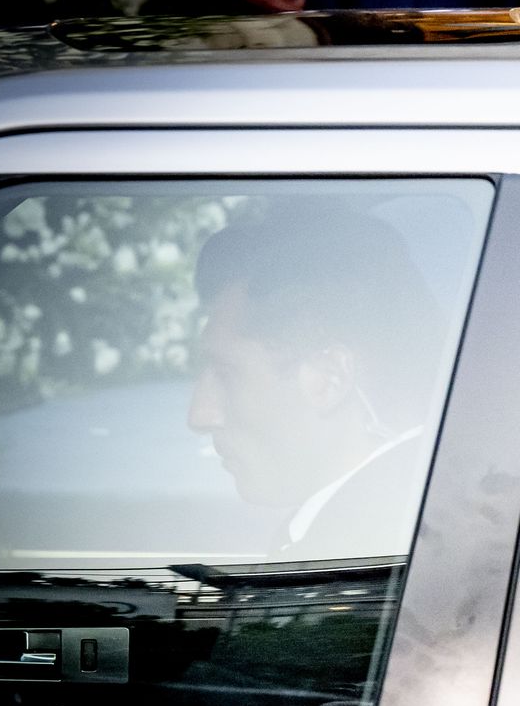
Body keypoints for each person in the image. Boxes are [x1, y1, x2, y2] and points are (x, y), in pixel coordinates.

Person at [187, 205, 449, 561]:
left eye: (226, 374)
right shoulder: (423, 520)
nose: (200, 415)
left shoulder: (363, 557)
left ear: (329, 378)